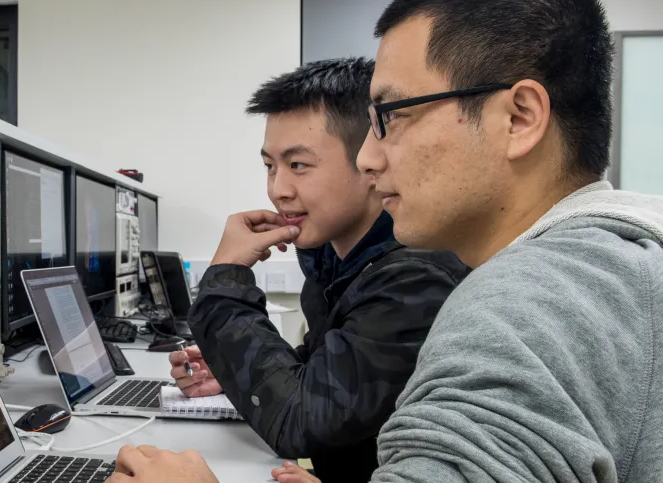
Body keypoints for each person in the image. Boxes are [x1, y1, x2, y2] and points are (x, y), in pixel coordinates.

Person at [106, 0, 663, 483]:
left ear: (518, 119)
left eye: (393, 115)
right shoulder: (626, 265)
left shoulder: (528, 308)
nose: (371, 158)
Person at [167, 58, 469, 483]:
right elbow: (322, 377)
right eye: (270, 166)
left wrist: (227, 272)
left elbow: (301, 423)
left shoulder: (413, 279)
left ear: (370, 163)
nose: (278, 189)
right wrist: (234, 373)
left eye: (298, 165)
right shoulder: (336, 262)